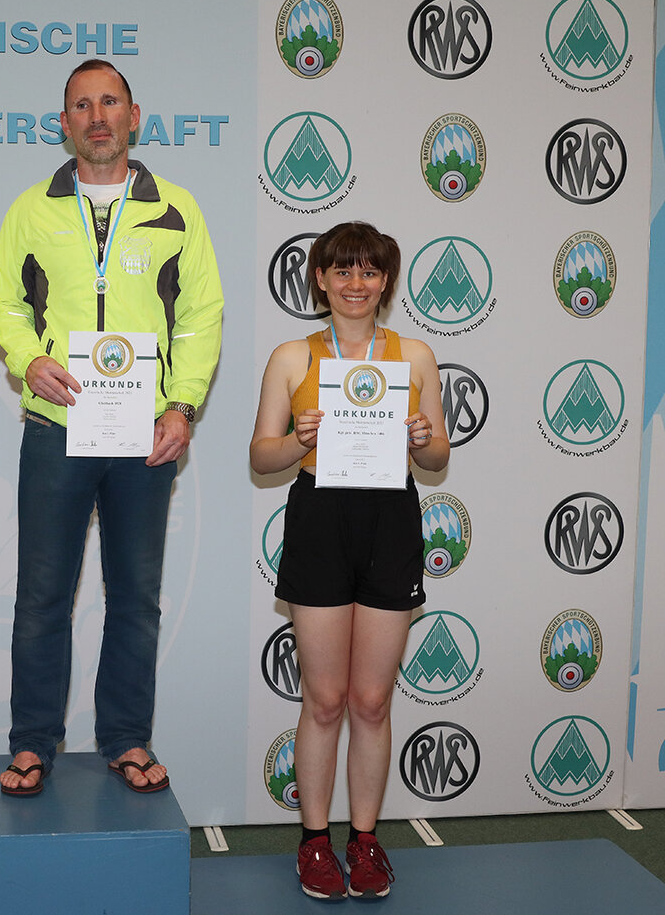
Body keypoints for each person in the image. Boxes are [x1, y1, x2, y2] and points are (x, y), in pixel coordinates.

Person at [0, 60, 224, 796]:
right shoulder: (31, 209)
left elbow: (200, 316)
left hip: (144, 433)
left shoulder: (177, 210)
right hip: (56, 426)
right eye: (82, 106)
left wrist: (182, 405)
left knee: (135, 596)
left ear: (134, 116)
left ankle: (125, 737)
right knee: (41, 596)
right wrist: (28, 360)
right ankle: (33, 742)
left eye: (110, 103)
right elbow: (4, 305)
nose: (97, 117)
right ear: (64, 123)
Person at [248, 221, 449, 899]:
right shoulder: (292, 356)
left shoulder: (414, 355)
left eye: (368, 271)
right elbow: (262, 455)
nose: (355, 284)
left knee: (371, 699)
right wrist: (298, 438)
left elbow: (438, 456)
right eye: (342, 271)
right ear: (320, 279)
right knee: (326, 698)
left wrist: (422, 437)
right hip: (320, 518)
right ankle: (314, 841)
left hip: (390, 519)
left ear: (385, 281)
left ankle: (364, 842)